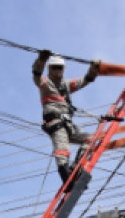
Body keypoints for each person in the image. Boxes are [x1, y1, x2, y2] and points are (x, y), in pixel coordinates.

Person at [32, 50, 100, 183]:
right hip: (56, 122)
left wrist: (93, 70)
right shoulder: (45, 84)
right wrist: (41, 60)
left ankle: (77, 166)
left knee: (90, 140)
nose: (57, 70)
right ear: (49, 69)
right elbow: (36, 76)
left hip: (68, 124)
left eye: (60, 68)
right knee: (62, 150)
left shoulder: (66, 85)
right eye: (54, 67)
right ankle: (65, 176)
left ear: (63, 69)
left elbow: (85, 80)